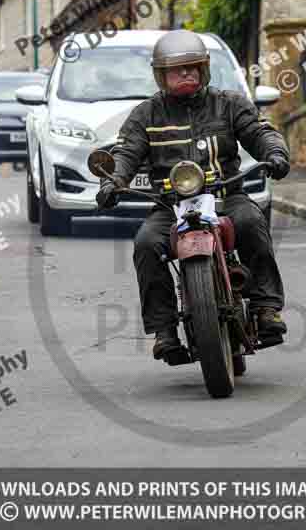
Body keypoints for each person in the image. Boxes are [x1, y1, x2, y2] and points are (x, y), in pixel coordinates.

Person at [96, 30, 291, 361]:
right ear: (162, 75)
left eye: (192, 67)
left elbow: (260, 133)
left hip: (226, 195)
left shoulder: (229, 105)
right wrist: (112, 181)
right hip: (170, 207)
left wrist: (274, 153)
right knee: (146, 243)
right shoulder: (146, 115)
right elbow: (125, 152)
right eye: (177, 69)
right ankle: (164, 330)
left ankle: (266, 308)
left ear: (204, 70)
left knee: (252, 222)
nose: (186, 73)